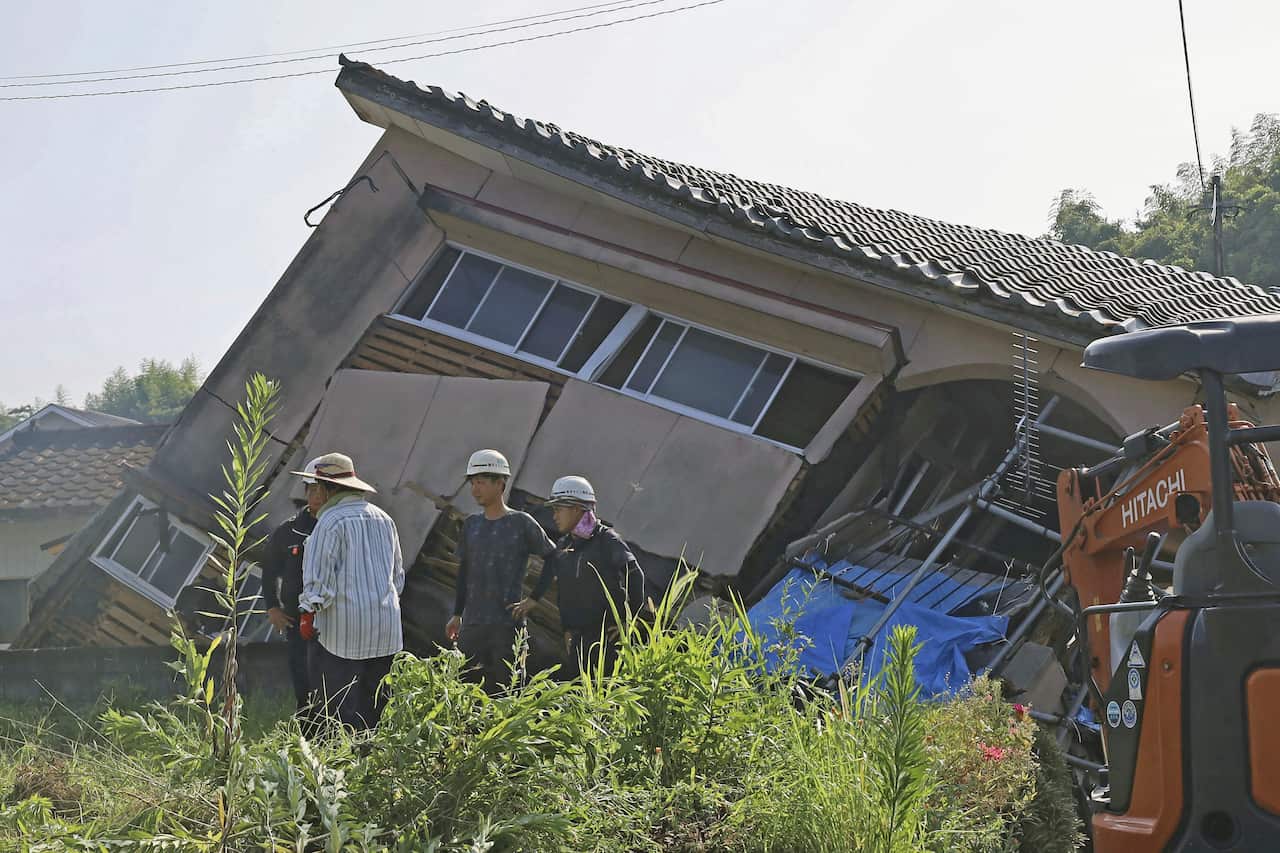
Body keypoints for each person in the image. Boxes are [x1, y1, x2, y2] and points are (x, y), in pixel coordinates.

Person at [295, 452, 404, 731]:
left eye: (316, 488)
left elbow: (318, 584)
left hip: (343, 633)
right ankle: (373, 765)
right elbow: (397, 578)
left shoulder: (330, 521)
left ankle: (343, 766)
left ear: (325, 488)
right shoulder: (384, 519)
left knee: (339, 708)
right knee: (377, 708)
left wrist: (308, 613)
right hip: (386, 629)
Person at [511, 476, 647, 679]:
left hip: (607, 640)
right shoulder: (565, 545)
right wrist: (566, 629)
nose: (554, 516)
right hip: (577, 640)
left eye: (558, 509)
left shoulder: (606, 540)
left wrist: (630, 620)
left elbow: (634, 574)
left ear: (576, 508)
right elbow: (564, 591)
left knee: (605, 696)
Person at [447, 449, 556, 691]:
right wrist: (457, 614)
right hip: (473, 624)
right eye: (473, 483)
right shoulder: (472, 525)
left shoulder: (521, 523)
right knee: (460, 690)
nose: (475, 489)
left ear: (501, 484)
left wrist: (533, 599)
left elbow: (553, 557)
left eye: (482, 483)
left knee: (507, 692)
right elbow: (464, 572)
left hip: (507, 626)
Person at [261, 457, 323, 717]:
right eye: (312, 489)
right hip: (297, 621)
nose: (317, 495)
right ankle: (307, 738)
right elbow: (268, 572)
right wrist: (273, 608)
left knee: (331, 681)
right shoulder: (289, 530)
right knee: (302, 680)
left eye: (323, 490)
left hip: (333, 619)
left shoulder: (341, 527)